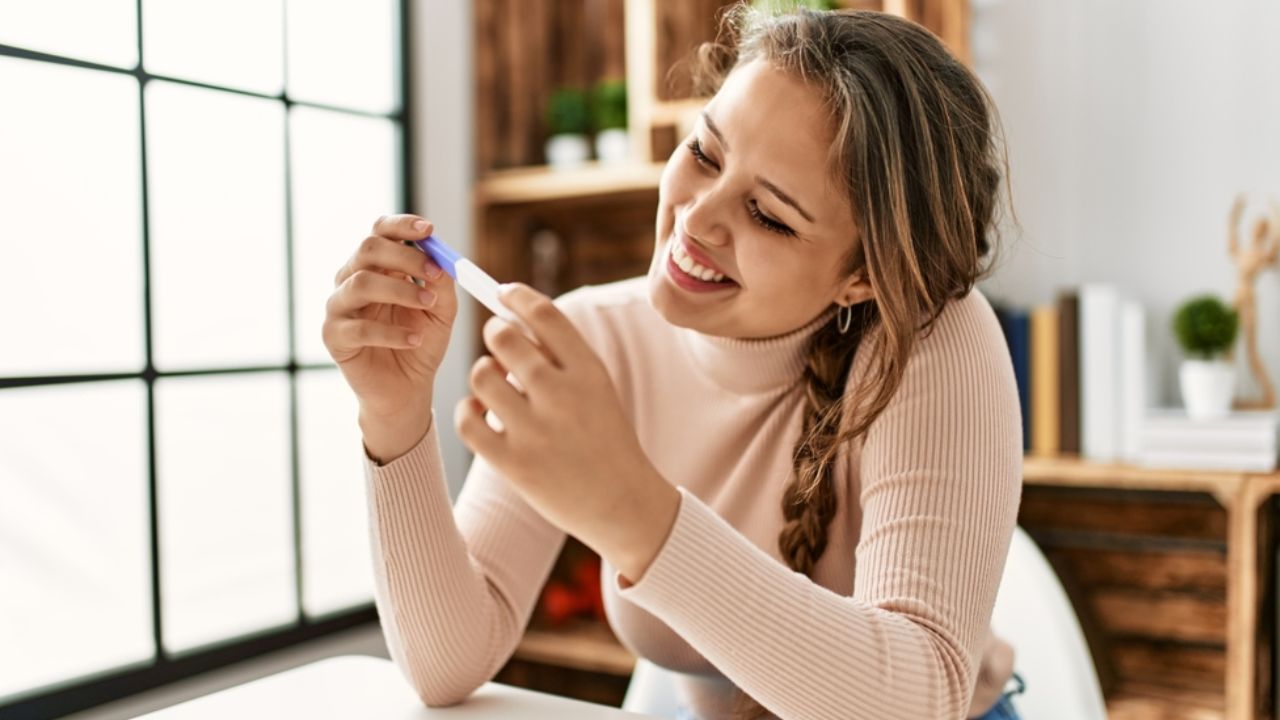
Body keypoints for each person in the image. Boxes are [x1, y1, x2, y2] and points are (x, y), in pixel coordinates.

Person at [322, 7, 1023, 719]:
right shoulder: (592, 337)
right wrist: (395, 417)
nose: (698, 217)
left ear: (863, 276)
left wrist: (634, 513)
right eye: (705, 155)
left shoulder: (934, 342)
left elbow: (918, 698)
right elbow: (444, 668)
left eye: (769, 215)